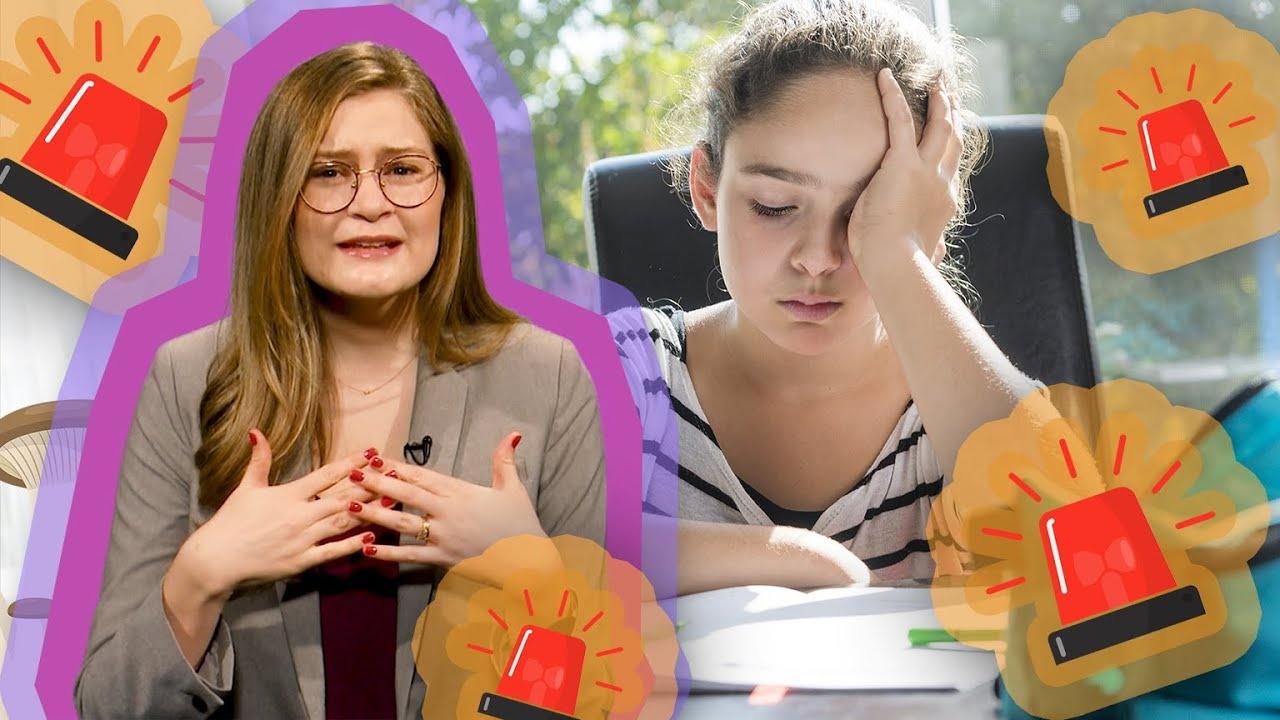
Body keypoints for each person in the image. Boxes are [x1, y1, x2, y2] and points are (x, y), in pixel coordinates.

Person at [76, 42, 605, 719]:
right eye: (328, 173)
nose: (371, 205)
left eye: (403, 169)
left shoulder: (550, 375)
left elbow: (592, 702)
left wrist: (534, 578)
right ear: (278, 199)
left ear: (447, 192)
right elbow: (109, 707)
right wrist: (201, 576)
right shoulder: (184, 376)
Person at [612, 0, 1038, 593]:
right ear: (707, 189)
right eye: (775, 207)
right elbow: (503, 548)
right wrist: (799, 560)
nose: (818, 258)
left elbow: (1101, 562)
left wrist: (897, 254)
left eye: (867, 211)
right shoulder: (624, 370)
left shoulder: (953, 404)